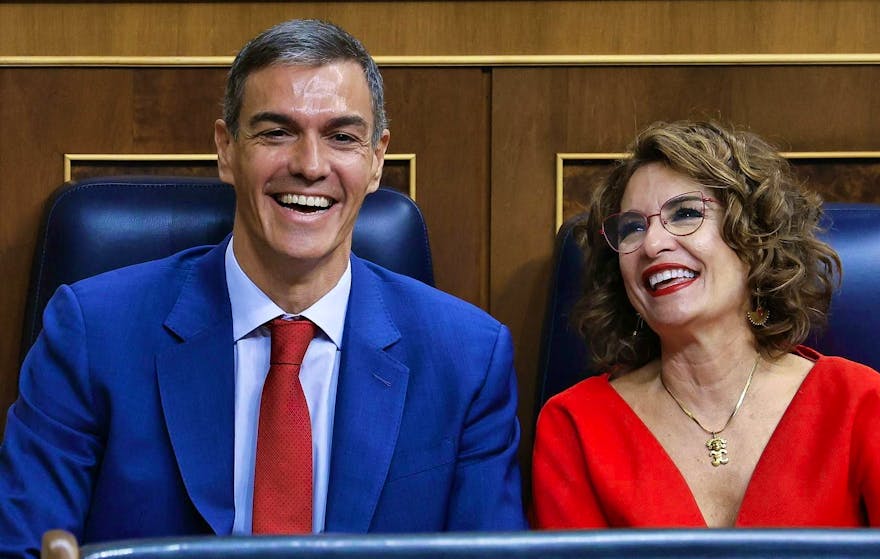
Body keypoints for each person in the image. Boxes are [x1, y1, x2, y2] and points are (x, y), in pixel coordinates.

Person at [0, 19, 526, 556]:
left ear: (376, 160)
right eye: (277, 132)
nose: (310, 166)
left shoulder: (468, 359)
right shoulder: (93, 334)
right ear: (227, 150)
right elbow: (22, 545)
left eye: (342, 137)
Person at [531, 120, 880, 528]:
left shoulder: (859, 401)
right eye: (632, 228)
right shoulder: (575, 425)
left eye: (684, 214)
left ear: (753, 239)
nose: (653, 244)